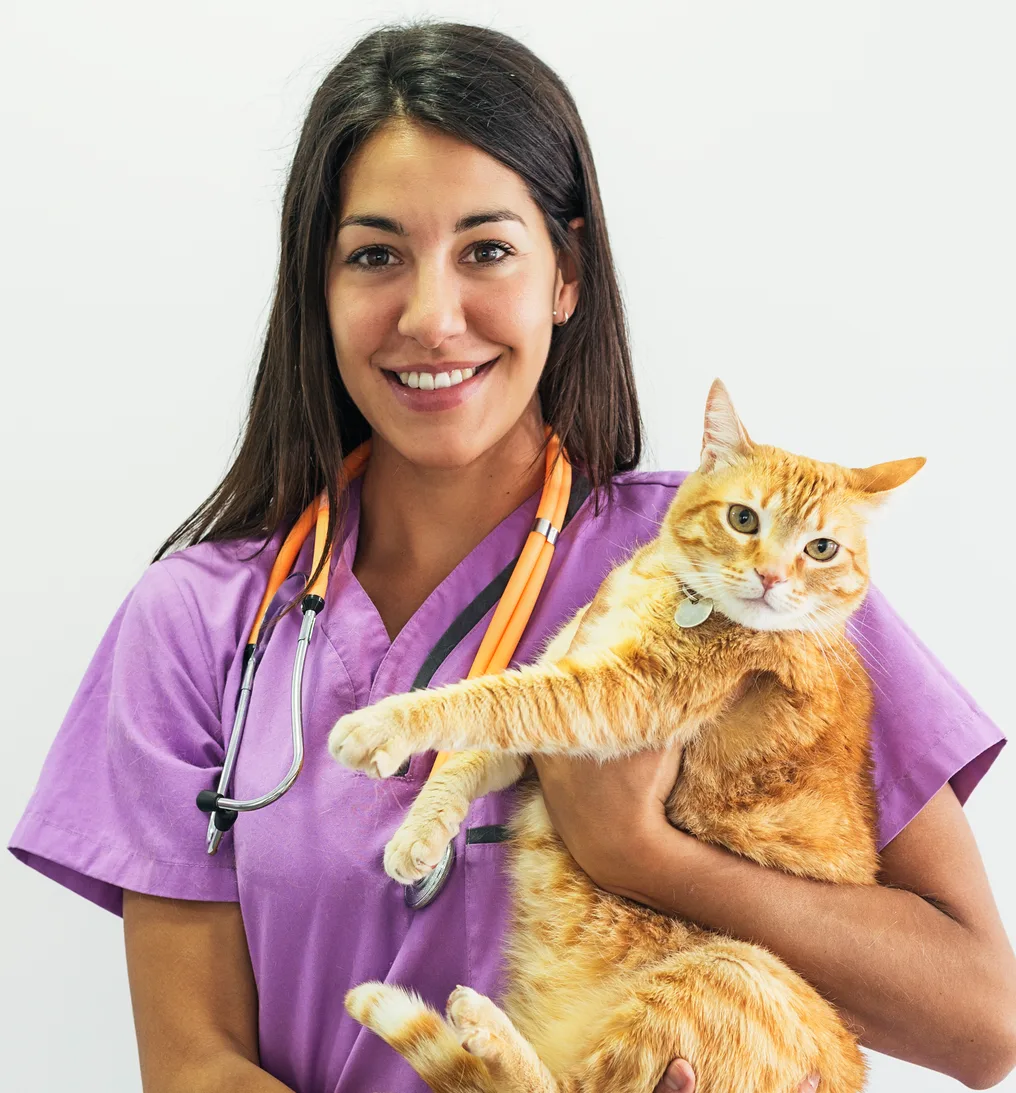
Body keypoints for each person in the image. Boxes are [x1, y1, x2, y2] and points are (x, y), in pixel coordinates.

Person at [8, 20, 1014, 1093]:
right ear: (319, 284)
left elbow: (982, 1023)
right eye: (375, 255)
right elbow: (192, 1065)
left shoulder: (740, 559)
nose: (431, 317)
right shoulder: (200, 626)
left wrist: (644, 854)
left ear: (565, 274)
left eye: (484, 250)